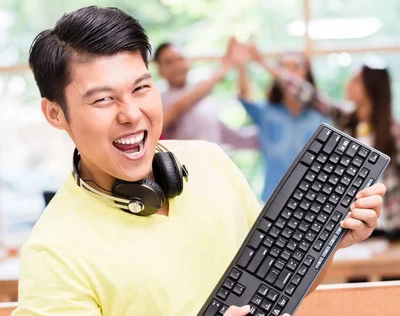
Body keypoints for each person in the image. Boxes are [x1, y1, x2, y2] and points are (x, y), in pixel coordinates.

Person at [11, 6, 398, 316]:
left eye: (140, 88)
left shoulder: (210, 162)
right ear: (55, 113)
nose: (131, 113)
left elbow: (268, 298)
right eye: (103, 99)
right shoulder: (54, 247)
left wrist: (326, 244)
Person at [256, 51, 400, 238]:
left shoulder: (393, 132)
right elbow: (306, 94)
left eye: (355, 81)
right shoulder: (345, 120)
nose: (347, 84)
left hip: (389, 226)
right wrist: (266, 65)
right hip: (352, 223)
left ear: (370, 88)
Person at [236, 44, 327, 201]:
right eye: (283, 67)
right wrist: (242, 63)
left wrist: (262, 62)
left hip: (312, 200)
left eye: (295, 67)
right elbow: (244, 97)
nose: (288, 73)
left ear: (307, 72)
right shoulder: (267, 112)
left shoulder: (320, 114)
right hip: (272, 199)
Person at [154, 40, 259, 149]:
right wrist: (225, 66)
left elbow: (235, 137)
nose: (177, 66)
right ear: (159, 70)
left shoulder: (203, 100)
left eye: (180, 59)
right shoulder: (160, 101)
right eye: (169, 62)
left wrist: (241, 64)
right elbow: (179, 107)